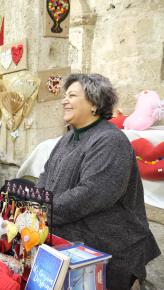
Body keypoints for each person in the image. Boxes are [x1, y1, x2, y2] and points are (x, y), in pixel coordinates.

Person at [37, 73, 160, 289]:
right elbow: (46, 175)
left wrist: (41, 210)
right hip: (71, 240)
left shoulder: (111, 141)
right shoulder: (67, 138)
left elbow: (90, 194)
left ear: (94, 103)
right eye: (64, 95)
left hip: (109, 249)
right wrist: (35, 204)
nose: (64, 100)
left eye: (72, 95)